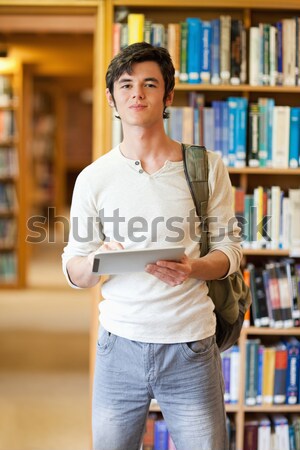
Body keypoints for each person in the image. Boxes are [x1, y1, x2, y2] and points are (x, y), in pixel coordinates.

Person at [62, 42, 242, 450]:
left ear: (168, 96)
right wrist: (98, 260)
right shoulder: (93, 178)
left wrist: (191, 268)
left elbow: (231, 252)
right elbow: (73, 268)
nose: (136, 94)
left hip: (190, 345)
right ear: (112, 97)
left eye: (149, 84)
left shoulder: (205, 167)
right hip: (118, 346)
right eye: (125, 85)